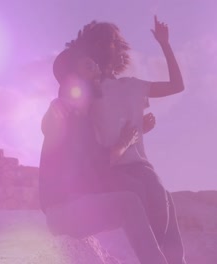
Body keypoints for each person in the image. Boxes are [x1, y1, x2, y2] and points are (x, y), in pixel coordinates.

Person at [58, 15, 187, 264]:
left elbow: (176, 85)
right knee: (145, 208)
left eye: (118, 42)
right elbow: (87, 131)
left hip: (142, 166)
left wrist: (165, 44)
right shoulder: (89, 90)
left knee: (165, 206)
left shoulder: (132, 85)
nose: (117, 47)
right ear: (98, 47)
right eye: (111, 42)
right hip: (114, 168)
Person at [39, 47, 171, 264]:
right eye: (89, 66)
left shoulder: (86, 124)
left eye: (96, 65)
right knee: (129, 202)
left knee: (134, 189)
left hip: (76, 207)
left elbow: (103, 159)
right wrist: (56, 104)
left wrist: (134, 135)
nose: (98, 70)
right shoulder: (64, 110)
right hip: (62, 212)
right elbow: (51, 122)